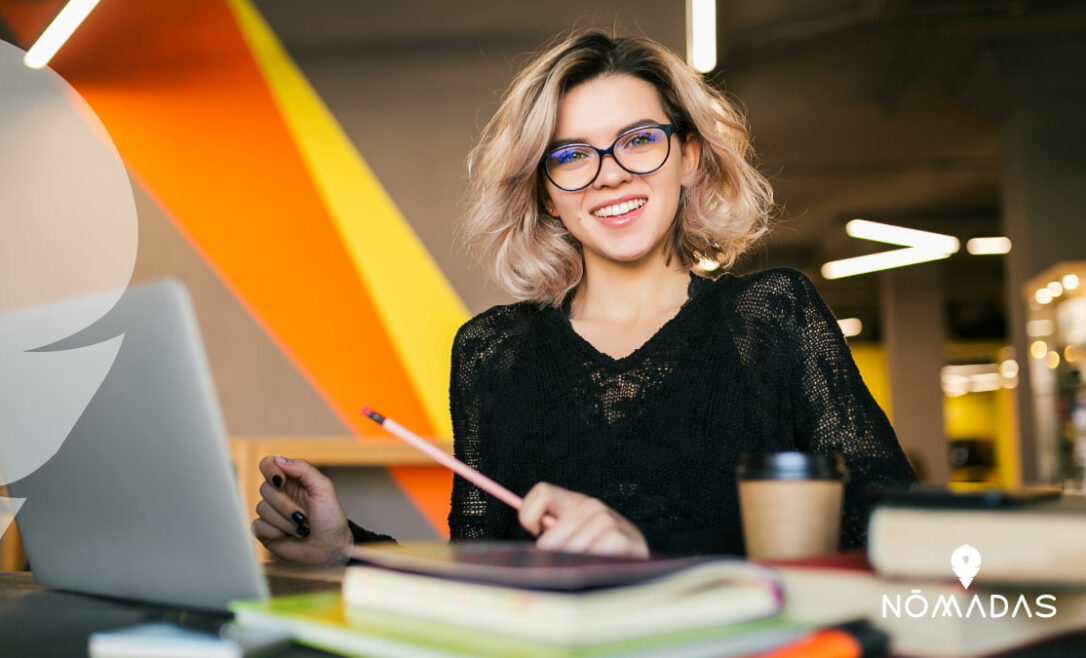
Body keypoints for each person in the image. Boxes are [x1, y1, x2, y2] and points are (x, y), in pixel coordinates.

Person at [250, 28, 918, 566]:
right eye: (571, 155)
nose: (610, 174)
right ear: (544, 189)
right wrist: (344, 550)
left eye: (638, 140)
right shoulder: (492, 354)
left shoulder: (772, 318)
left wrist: (647, 551)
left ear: (688, 157)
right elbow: (479, 567)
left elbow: (890, 533)